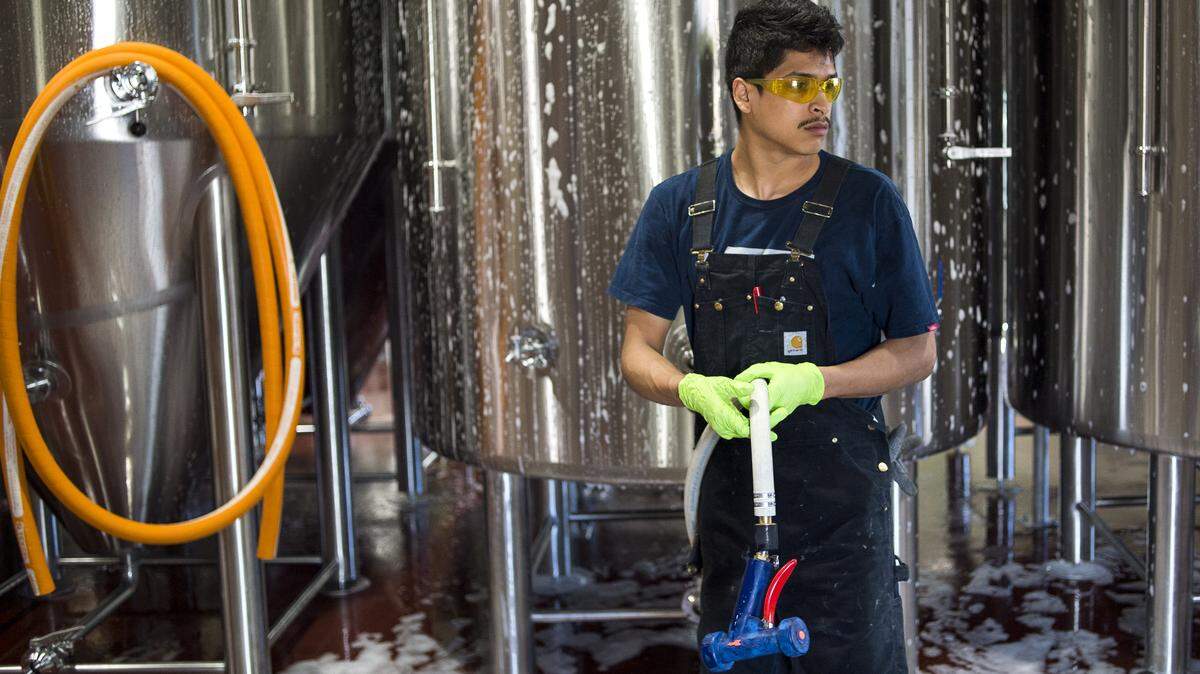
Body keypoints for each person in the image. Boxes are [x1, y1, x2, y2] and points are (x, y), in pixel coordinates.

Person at [607, 1, 939, 671]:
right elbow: (636, 351)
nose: (821, 104)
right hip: (733, 515)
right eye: (798, 86)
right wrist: (690, 389)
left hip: (846, 521)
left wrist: (819, 380)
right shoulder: (681, 206)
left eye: (829, 85)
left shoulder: (869, 204)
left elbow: (917, 350)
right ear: (744, 94)